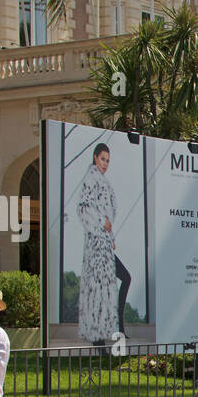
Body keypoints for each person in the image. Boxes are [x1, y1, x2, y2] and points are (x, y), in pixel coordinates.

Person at [76, 143, 130, 345]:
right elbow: (83, 209)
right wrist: (102, 223)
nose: (105, 164)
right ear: (94, 157)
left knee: (119, 281)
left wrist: (111, 236)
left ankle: (118, 328)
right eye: (102, 159)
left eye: (108, 160)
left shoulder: (101, 181)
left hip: (104, 244)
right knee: (98, 289)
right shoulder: (91, 180)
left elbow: (104, 216)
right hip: (96, 246)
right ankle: (99, 340)